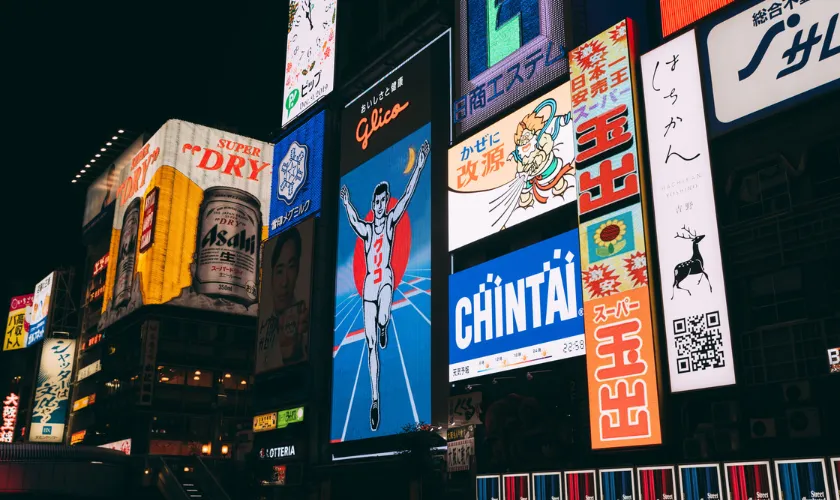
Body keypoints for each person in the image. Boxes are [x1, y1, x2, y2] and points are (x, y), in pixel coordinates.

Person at [339, 140, 429, 431]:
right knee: (370, 344)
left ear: (386, 201)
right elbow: (353, 219)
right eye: (376, 202)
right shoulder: (367, 229)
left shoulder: (390, 222)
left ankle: (384, 323)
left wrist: (420, 165)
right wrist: (345, 201)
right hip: (369, 286)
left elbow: (407, 196)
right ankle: (375, 399)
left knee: (382, 316)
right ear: (372, 204)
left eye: (383, 201)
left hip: (386, 278)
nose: (380, 206)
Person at [258, 227, 309, 368]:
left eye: (291, 267)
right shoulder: (264, 325)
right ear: (271, 274)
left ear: (298, 269)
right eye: (279, 271)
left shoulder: (304, 323)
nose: (285, 282)